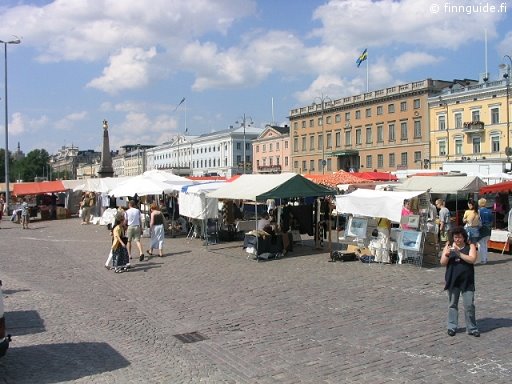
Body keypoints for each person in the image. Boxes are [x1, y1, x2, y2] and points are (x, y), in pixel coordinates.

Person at [440, 226, 479, 337]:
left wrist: (459, 253)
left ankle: (472, 327)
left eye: (460, 237)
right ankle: (452, 326)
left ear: (464, 237)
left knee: (469, 305)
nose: (457, 240)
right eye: (455, 237)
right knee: (452, 304)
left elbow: (472, 259)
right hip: (453, 279)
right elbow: (442, 262)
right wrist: (447, 254)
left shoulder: (470, 246)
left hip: (467, 280)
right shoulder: (448, 246)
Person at [477, 198, 493, 264]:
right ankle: (485, 258)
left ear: (479, 203)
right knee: (485, 244)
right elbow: (492, 220)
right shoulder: (489, 211)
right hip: (488, 229)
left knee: (481, 244)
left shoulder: (479, 211)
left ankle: (483, 259)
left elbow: (477, 220)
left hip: (482, 228)